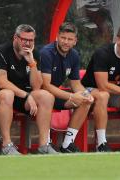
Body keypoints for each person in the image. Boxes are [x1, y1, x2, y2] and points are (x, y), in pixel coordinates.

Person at [0, 24, 58, 155]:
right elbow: (2, 82)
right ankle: (7, 145)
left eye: (31, 40)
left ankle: (44, 145)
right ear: (15, 38)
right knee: (7, 94)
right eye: (24, 39)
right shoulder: (1, 51)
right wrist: (27, 96)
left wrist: (32, 62)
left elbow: (37, 86)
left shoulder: (34, 53)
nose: (27, 43)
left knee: (46, 96)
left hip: (17, 95)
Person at [39, 22, 94, 153]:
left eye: (70, 39)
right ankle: (45, 144)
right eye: (63, 38)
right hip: (39, 95)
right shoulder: (46, 53)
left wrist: (85, 94)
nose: (66, 42)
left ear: (75, 41)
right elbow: (45, 85)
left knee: (84, 102)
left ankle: (67, 144)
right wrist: (71, 96)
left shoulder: (74, 55)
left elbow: (75, 83)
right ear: (57, 37)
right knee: (49, 97)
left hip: (55, 95)